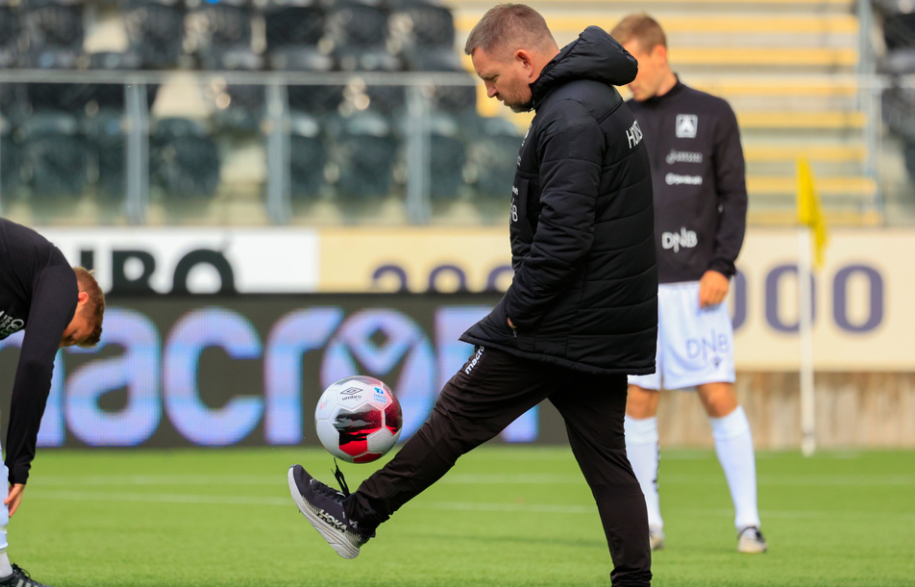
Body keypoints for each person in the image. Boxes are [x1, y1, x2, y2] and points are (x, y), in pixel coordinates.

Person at [288, 4, 658, 585]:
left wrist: (515, 314)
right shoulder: (591, 100)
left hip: (563, 316)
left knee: (456, 416)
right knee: (609, 461)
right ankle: (634, 583)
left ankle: (356, 517)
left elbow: (564, 237)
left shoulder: (571, 117)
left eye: (491, 78)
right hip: (600, 319)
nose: (490, 93)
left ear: (524, 58)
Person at [609, 14, 766, 554]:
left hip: (696, 287)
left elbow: (735, 197)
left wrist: (722, 265)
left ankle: (749, 521)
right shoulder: (618, 117)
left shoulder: (712, 113)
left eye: (631, 64)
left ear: (659, 53)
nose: (626, 77)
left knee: (718, 395)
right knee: (637, 400)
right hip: (635, 289)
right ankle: (647, 521)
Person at [0, 218, 106, 587]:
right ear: (80, 299)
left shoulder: (15, 295)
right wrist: (19, 463)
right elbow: (33, 364)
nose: (61, 342)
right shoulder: (57, 273)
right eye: (72, 334)